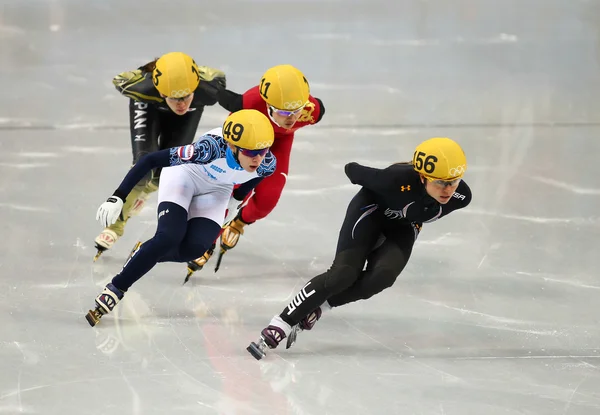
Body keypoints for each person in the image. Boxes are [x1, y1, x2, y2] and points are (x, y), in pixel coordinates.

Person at [246, 137, 472, 360]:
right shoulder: (394, 180)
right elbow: (352, 170)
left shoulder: (462, 197)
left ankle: (321, 307)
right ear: (422, 177)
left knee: (382, 278)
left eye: (453, 181)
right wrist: (386, 176)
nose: (448, 189)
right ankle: (282, 322)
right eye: (440, 182)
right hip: (370, 211)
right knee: (342, 275)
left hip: (403, 226)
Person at [85, 109, 276, 327]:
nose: (259, 158)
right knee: (169, 236)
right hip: (185, 176)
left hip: (217, 190)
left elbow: (255, 178)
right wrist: (118, 196)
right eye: (252, 153)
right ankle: (117, 288)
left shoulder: (267, 163)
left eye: (263, 151)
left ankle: (145, 252)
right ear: (233, 146)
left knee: (194, 249)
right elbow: (149, 160)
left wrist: (236, 201)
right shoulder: (208, 150)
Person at [184, 64, 325, 280]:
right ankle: (209, 238)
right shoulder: (247, 104)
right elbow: (217, 94)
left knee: (267, 201)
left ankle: (240, 222)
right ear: (268, 105)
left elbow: (315, 109)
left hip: (279, 142)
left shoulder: (311, 111)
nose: (292, 118)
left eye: (296, 111)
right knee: (234, 193)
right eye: (284, 112)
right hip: (247, 138)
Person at [93, 51, 226, 261]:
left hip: (188, 112)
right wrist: (149, 69)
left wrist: (190, 73)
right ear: (162, 92)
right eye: (175, 98)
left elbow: (218, 76)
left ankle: (143, 192)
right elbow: (119, 80)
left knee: (170, 168)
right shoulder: (142, 87)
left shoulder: (207, 88)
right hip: (148, 107)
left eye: (185, 96)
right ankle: (116, 226)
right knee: (144, 165)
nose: (181, 103)